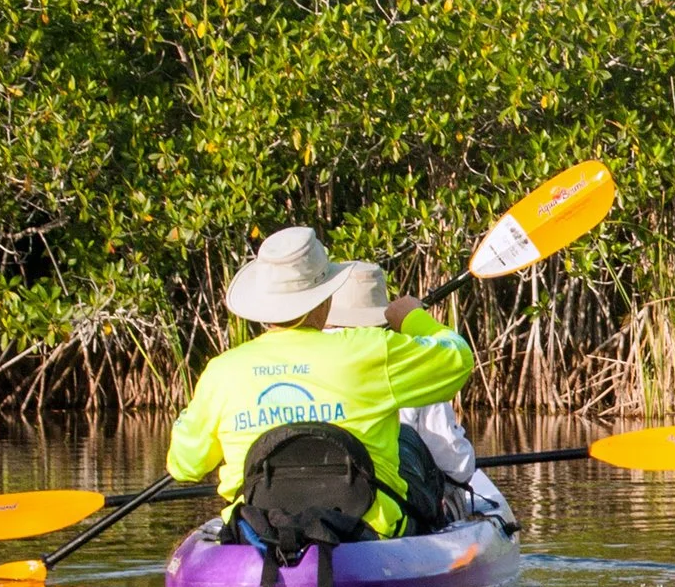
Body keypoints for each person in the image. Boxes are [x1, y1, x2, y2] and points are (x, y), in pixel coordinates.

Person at [166, 226, 476, 541]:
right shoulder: (369, 348)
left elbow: (185, 466)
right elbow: (459, 359)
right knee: (407, 439)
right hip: (366, 531)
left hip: (262, 528)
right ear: (325, 297)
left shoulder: (221, 371)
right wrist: (412, 317)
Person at [323, 261, 511, 524]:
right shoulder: (406, 360)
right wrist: (415, 319)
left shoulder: (292, 361)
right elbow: (457, 467)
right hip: (389, 516)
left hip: (311, 503)